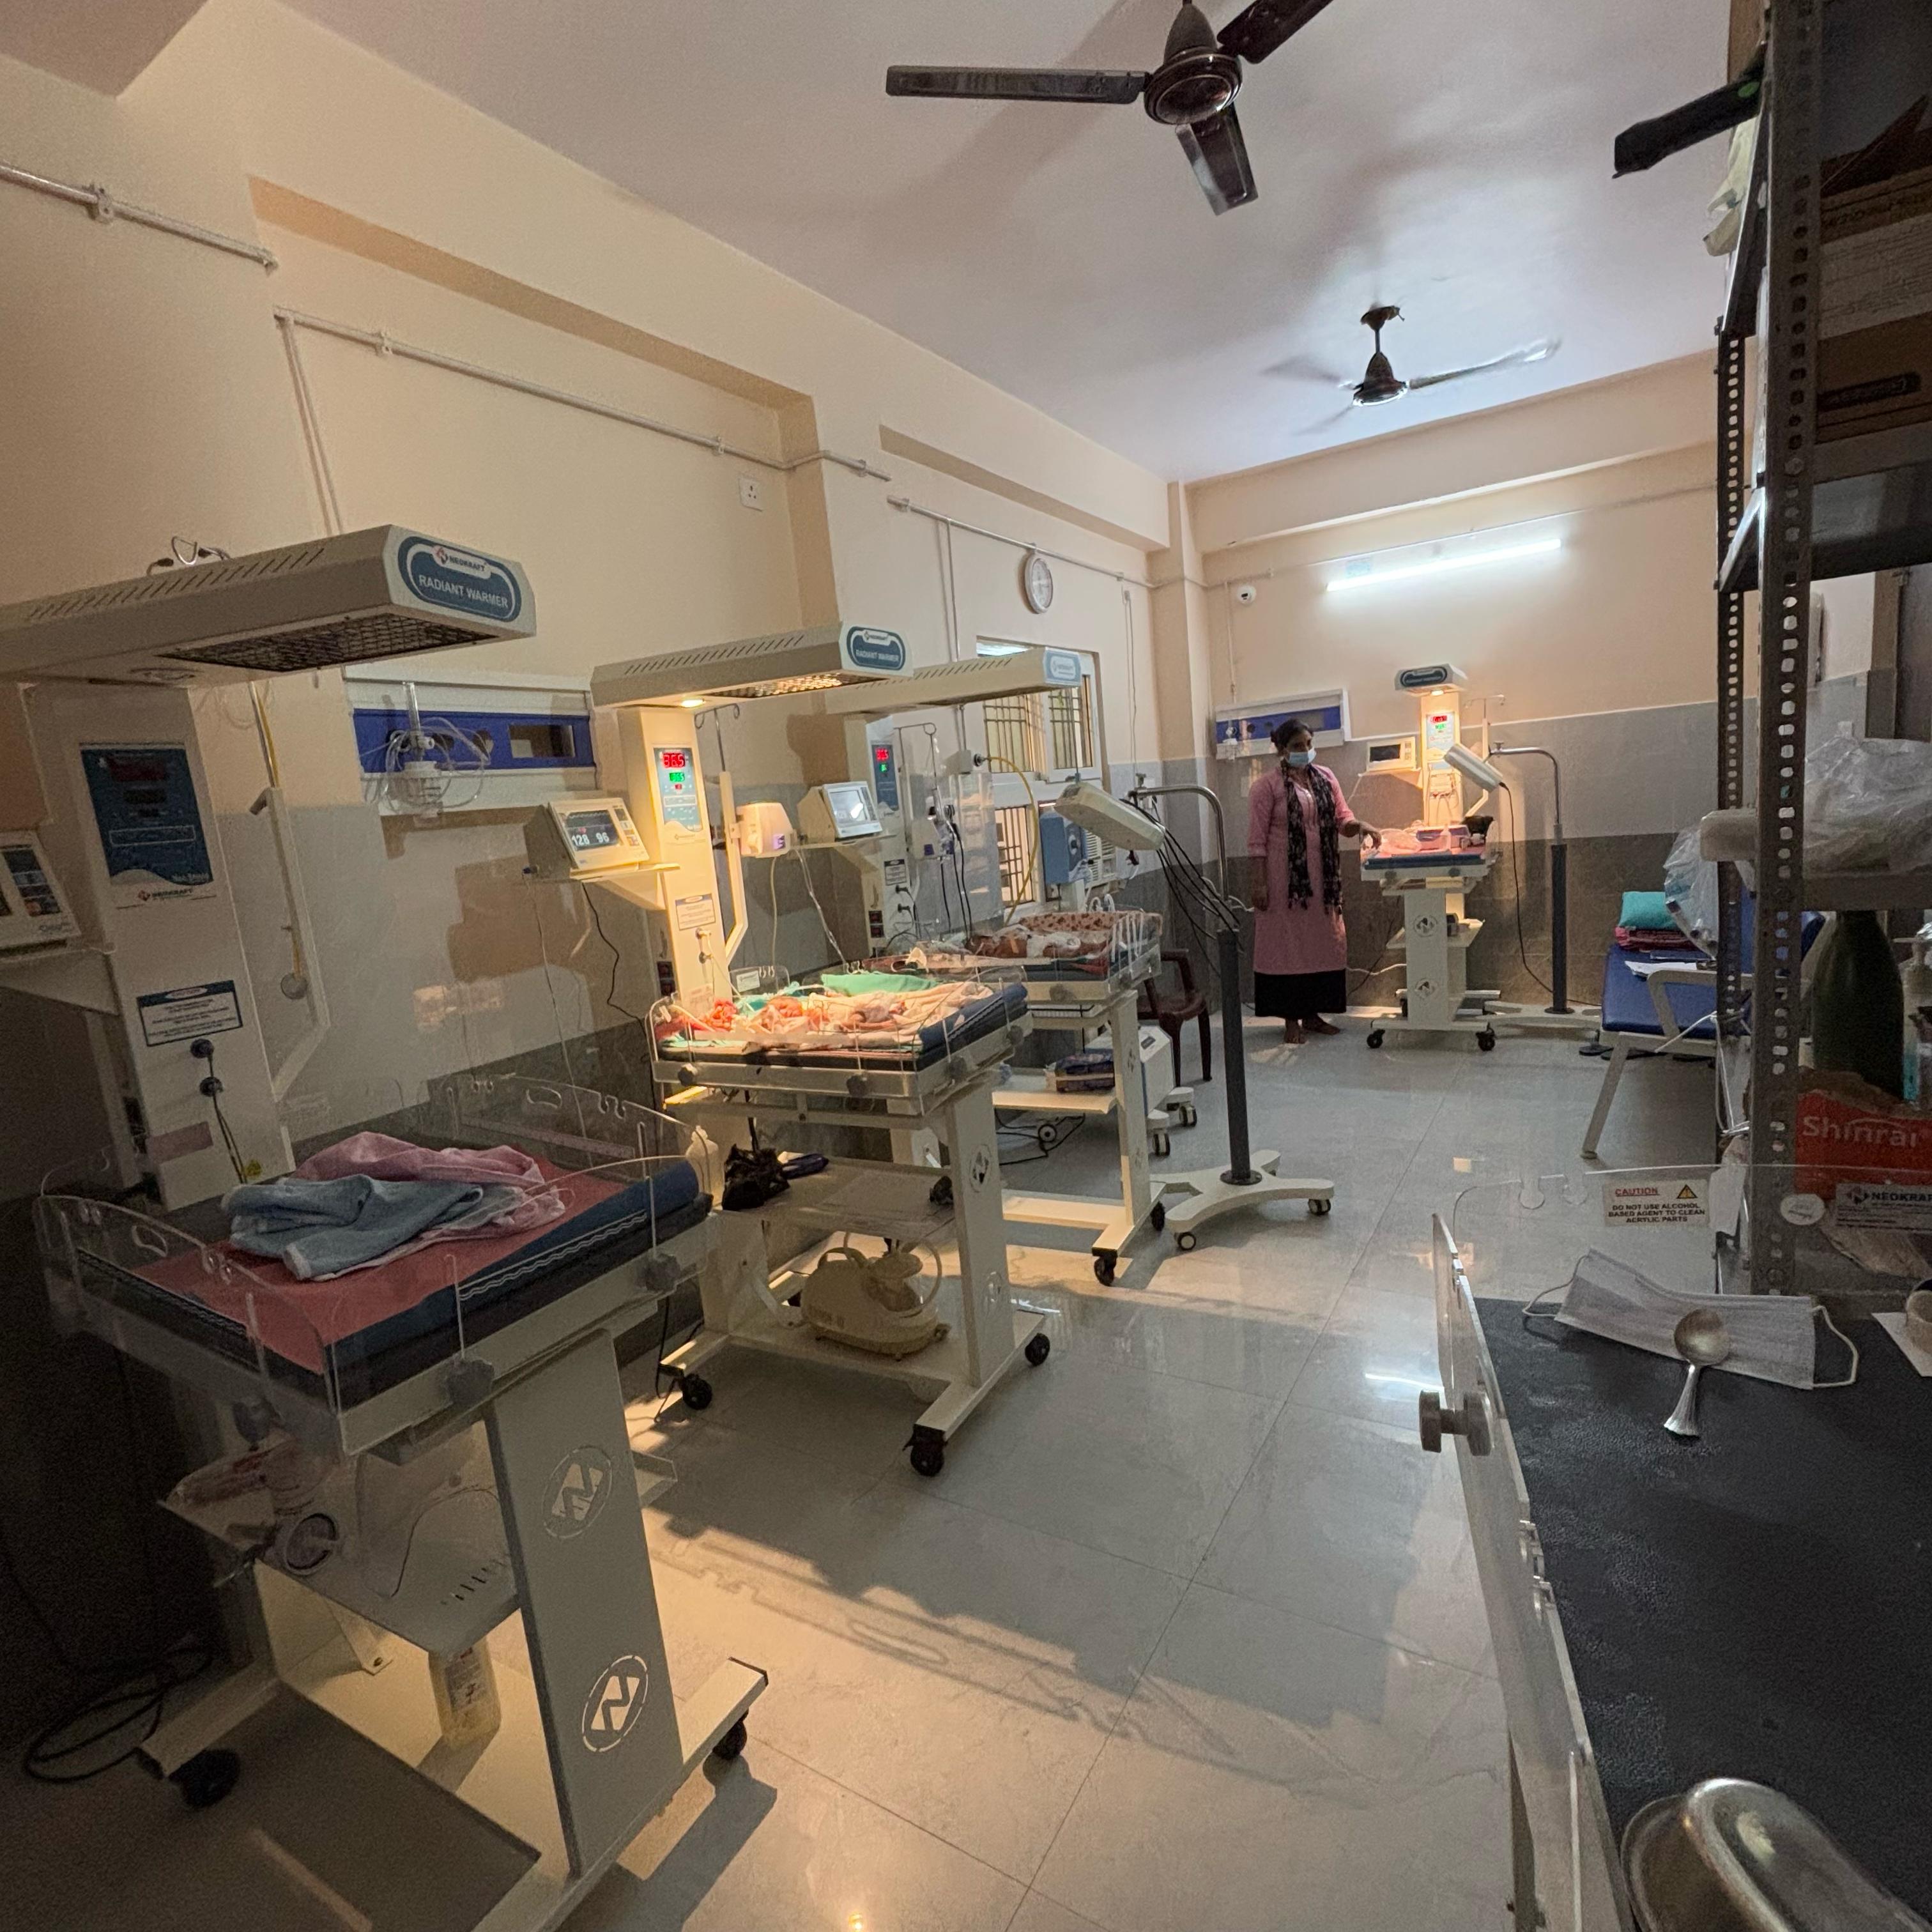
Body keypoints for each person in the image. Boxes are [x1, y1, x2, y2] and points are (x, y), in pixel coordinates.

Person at [1248, 718, 1379, 1043]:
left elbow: (1342, 820)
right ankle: (1290, 1019)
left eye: (1308, 744)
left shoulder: (1326, 778)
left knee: (1322, 945)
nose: (1305, 750)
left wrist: (1362, 826)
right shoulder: (1266, 787)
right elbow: (1256, 842)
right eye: (1297, 746)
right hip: (1284, 884)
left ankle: (1312, 1015)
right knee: (1287, 948)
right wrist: (1259, 884)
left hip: (1322, 882)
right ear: (1281, 750)